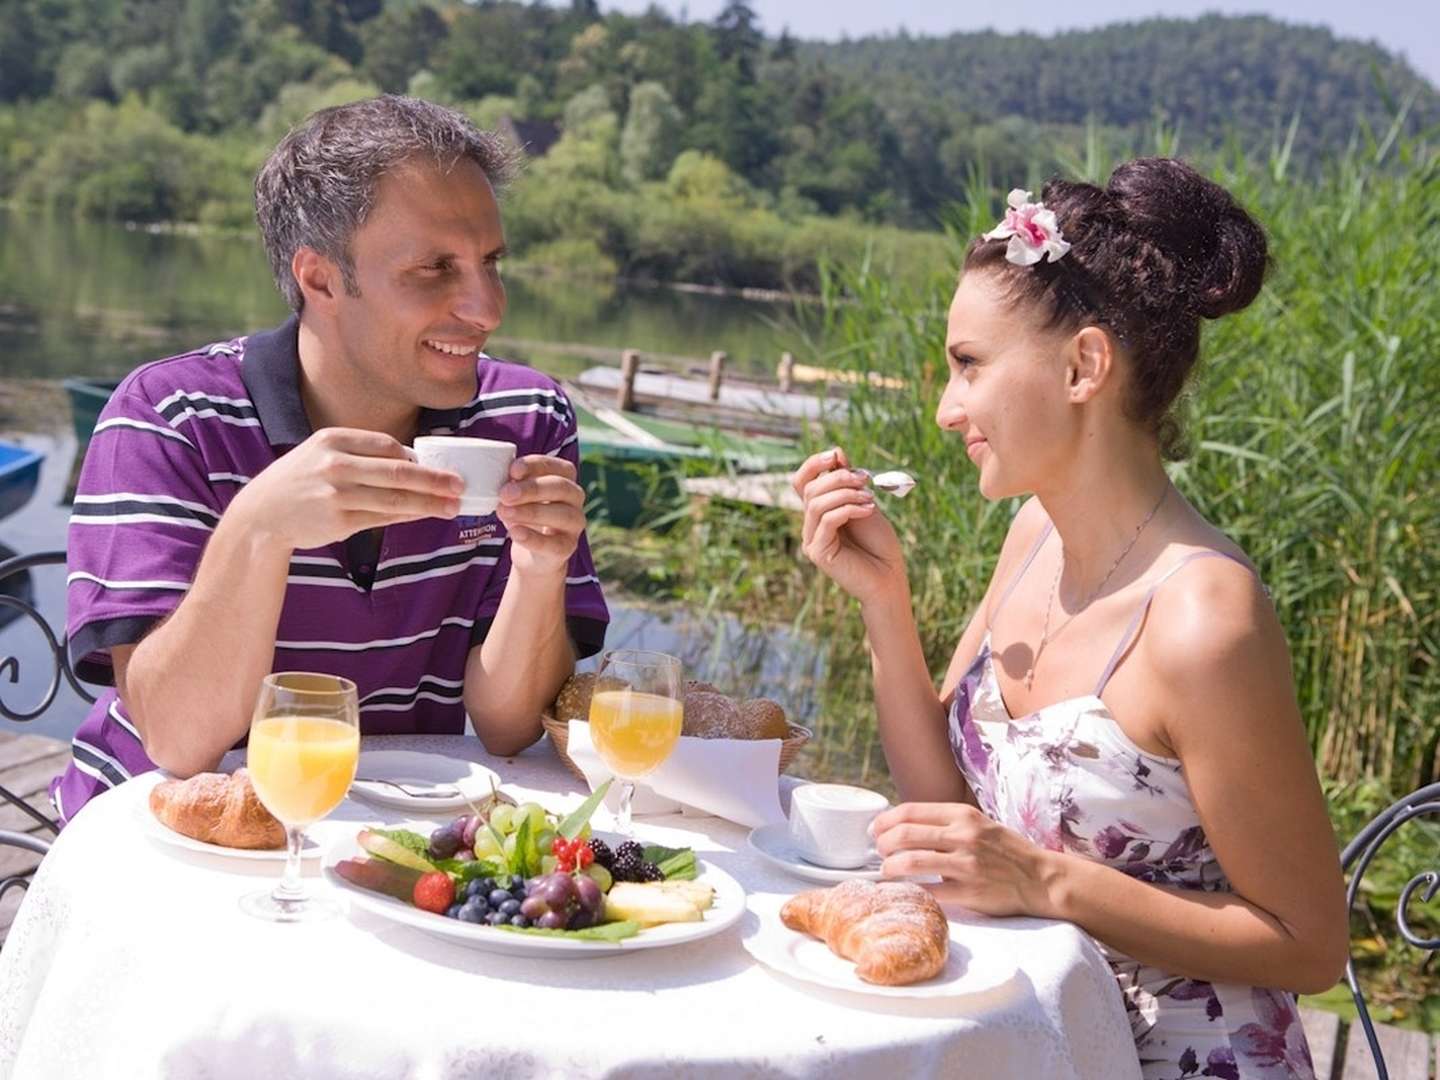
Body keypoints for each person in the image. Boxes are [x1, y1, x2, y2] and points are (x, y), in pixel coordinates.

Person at [793, 160, 1347, 1078]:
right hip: (1031, 1047)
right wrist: (884, 605)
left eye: (968, 366)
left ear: (1085, 365)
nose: (945, 409)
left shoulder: (1206, 618)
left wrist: (1044, 879)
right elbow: (947, 815)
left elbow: (1309, 944)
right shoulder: (1032, 534)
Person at [52, 95, 608, 823]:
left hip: (384, 831)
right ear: (320, 280)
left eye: (490, 262)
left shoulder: (526, 420)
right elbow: (178, 739)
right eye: (436, 268)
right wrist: (259, 528)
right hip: (164, 833)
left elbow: (509, 730)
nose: (486, 306)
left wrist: (540, 567)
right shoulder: (170, 415)